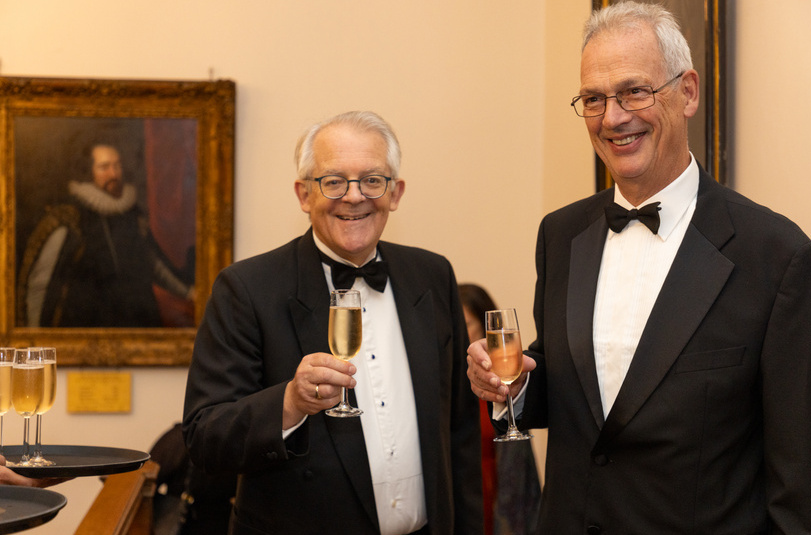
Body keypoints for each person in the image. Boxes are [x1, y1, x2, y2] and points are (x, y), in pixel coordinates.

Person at [467, 2, 811, 533]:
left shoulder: (777, 257)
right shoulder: (560, 235)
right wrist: (515, 386)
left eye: (634, 91)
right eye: (593, 98)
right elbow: (572, 390)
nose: (612, 117)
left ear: (688, 92)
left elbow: (800, 480)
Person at [183, 111, 482, 535]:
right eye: (334, 180)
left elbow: (461, 435)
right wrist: (289, 402)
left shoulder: (432, 275)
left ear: (395, 193)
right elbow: (204, 437)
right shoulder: (247, 289)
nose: (354, 196)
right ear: (304, 194)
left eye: (372, 180)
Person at [17, 143, 194, 328]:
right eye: (104, 167)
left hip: (137, 325)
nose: (114, 174)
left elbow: (155, 265)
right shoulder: (71, 219)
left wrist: (190, 293)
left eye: (117, 166)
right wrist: (33, 337)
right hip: (86, 328)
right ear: (88, 172)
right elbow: (40, 285)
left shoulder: (132, 215)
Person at [459, 283, 540, 535]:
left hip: (499, 508)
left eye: (467, 323)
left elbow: (518, 474)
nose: (459, 331)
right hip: (463, 507)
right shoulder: (445, 381)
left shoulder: (500, 387)